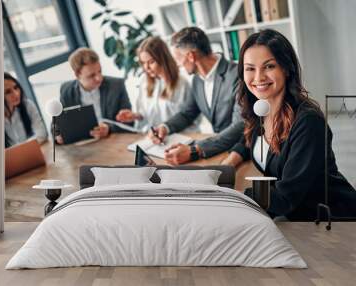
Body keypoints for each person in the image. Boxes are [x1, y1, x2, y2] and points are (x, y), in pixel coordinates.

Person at [221, 29, 356, 221]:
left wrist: (235, 198)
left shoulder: (308, 122)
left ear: (286, 68)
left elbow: (285, 198)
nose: (258, 77)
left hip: (332, 220)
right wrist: (229, 163)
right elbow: (248, 142)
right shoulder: (260, 111)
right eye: (250, 68)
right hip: (295, 216)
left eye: (268, 66)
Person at [148, 27, 243, 165]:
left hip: (239, 152)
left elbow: (239, 126)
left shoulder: (237, 76)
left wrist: (195, 149)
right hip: (216, 151)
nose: (178, 64)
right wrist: (165, 127)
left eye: (177, 59)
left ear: (191, 56)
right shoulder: (197, 79)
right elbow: (188, 113)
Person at [115, 36, 198, 132]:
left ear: (163, 59)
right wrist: (134, 116)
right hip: (155, 137)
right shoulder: (144, 81)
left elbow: (190, 116)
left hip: (180, 136)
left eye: (151, 62)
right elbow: (145, 114)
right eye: (143, 63)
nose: (146, 67)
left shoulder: (183, 83)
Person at [56, 47, 132, 144]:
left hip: (115, 142)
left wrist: (109, 128)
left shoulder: (116, 85)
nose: (99, 78)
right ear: (77, 75)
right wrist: (58, 134)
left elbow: (130, 123)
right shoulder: (66, 90)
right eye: (91, 75)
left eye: (99, 71)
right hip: (84, 145)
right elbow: (58, 122)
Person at [4, 73, 47, 147]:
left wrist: (23, 149)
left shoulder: (27, 105)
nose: (16, 94)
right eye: (8, 92)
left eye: (16, 87)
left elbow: (42, 133)